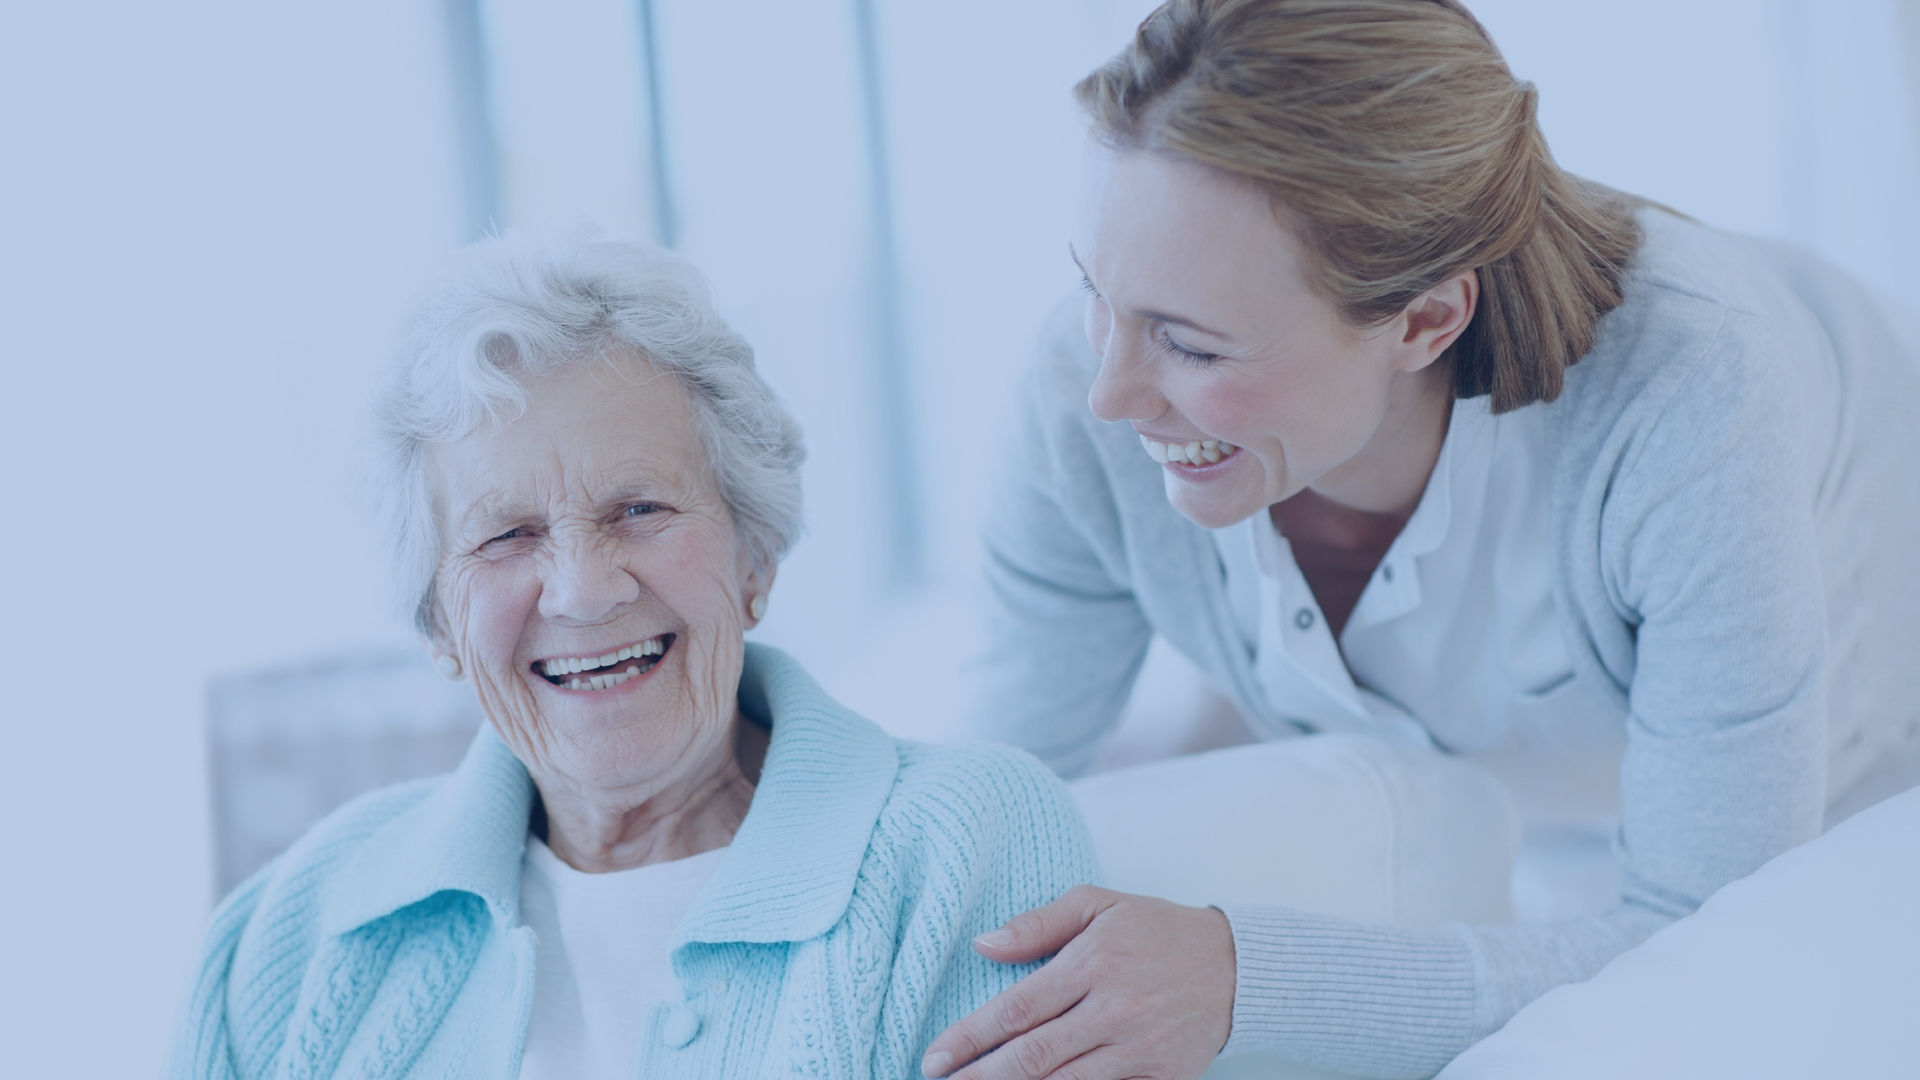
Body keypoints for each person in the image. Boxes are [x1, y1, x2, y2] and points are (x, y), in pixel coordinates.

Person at [923, 1, 1920, 1078]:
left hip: (1861, 721)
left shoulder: (1693, 405)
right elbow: (980, 802)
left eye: (1190, 345)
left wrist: (1246, 984)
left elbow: (1706, 934)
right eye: (1094, 292)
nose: (1110, 394)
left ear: (1426, 322)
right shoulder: (1082, 395)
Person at [168, 234, 1099, 1080]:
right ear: (439, 627)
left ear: (756, 557)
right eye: (508, 536)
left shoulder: (966, 844)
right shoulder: (296, 927)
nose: (582, 589)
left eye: (639, 510)